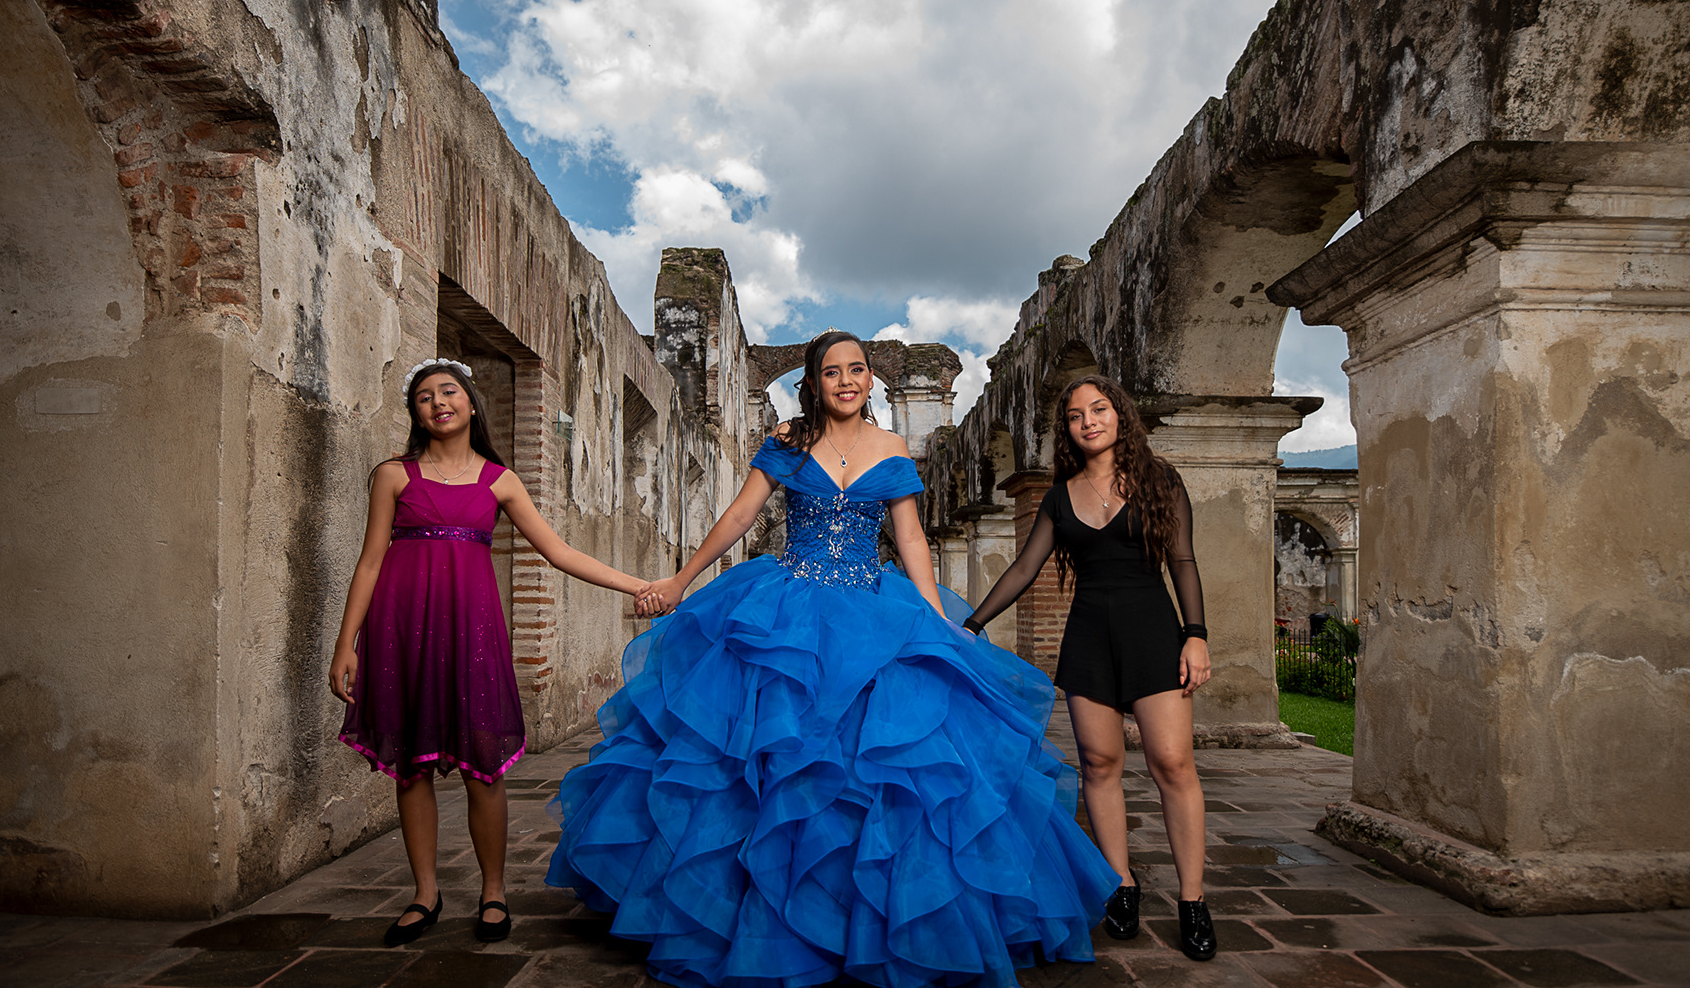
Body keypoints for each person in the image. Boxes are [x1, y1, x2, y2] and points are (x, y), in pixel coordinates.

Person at [546, 331, 1119, 988]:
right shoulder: (788, 439)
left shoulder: (892, 449)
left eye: (857, 370)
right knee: (772, 765)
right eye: (831, 371)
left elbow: (909, 539)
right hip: (787, 609)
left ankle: (862, 923)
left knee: (883, 767)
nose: (846, 380)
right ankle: (768, 922)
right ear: (813, 382)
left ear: (871, 378)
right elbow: (739, 515)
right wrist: (681, 581)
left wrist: (936, 621)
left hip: (869, 608)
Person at [329, 357, 659, 947]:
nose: (437, 403)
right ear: (416, 413)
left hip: (471, 635)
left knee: (485, 768)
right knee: (411, 771)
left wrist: (638, 585)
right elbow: (370, 562)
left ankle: (493, 891)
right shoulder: (393, 476)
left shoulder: (500, 481)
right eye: (424, 397)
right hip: (401, 634)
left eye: (448, 391)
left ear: (472, 404)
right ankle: (425, 894)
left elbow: (559, 553)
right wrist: (345, 645)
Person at [960, 374, 1217, 961]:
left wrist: (1195, 636)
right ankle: (1120, 885)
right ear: (1067, 430)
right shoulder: (1059, 495)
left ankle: (1193, 900)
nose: (1089, 421)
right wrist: (972, 626)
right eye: (1076, 416)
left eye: (1098, 409)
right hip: (1089, 638)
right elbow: (1025, 569)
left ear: (1119, 414)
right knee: (1100, 764)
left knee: (1172, 763)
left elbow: (1183, 561)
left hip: (1153, 631)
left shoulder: (1160, 479)